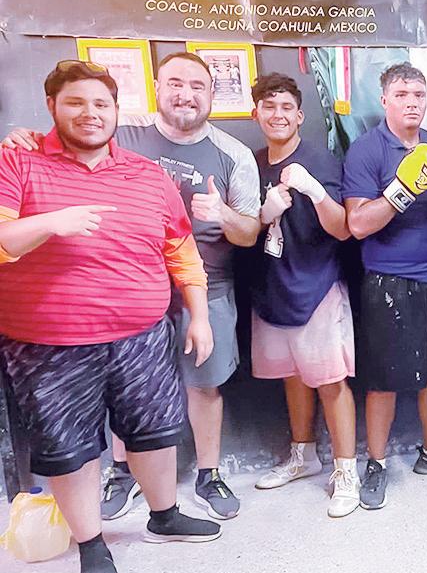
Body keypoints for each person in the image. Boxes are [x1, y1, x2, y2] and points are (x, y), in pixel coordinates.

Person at [3, 52, 261, 521]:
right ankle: (122, 475)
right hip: (106, 303)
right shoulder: (122, 130)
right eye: (175, 83)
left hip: (203, 287)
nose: (185, 94)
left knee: (201, 388)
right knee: (120, 398)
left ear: (212, 94)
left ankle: (207, 475)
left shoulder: (233, 153)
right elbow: (71, 137)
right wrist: (27, 138)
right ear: (156, 88)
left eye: (197, 86)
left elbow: (248, 233)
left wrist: (222, 215)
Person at [343, 62, 427, 511]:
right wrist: (401, 190)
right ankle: (376, 463)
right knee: (384, 380)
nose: (411, 102)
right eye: (401, 95)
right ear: (385, 100)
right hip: (389, 281)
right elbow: (357, 224)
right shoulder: (366, 151)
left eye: (418, 94)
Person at [245, 73, 359, 517]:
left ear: (299, 115)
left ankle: (345, 472)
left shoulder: (319, 160)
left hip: (316, 286)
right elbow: (242, 229)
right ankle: (303, 455)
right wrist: (262, 214)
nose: (278, 115)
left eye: (286, 107)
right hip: (272, 287)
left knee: (330, 379)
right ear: (256, 113)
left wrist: (314, 191)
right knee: (292, 374)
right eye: (269, 106)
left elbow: (343, 228)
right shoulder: (250, 163)